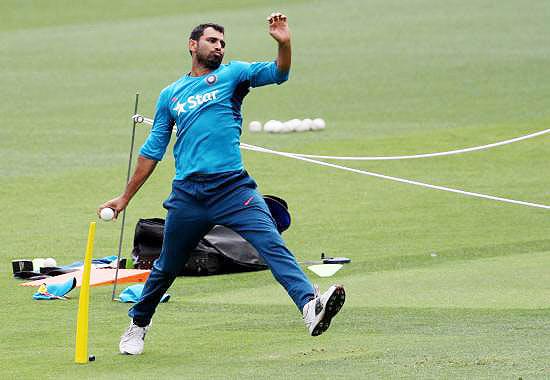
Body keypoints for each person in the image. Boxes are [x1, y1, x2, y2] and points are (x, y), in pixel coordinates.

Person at [98, 12, 345, 356]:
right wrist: (124, 198)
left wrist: (285, 43)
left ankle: (309, 307)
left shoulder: (233, 75)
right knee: (167, 266)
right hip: (188, 195)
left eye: (223, 43)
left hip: (233, 189)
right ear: (192, 45)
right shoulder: (171, 94)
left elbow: (279, 73)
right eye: (212, 41)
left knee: (272, 245)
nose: (219, 47)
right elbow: (152, 150)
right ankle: (138, 324)